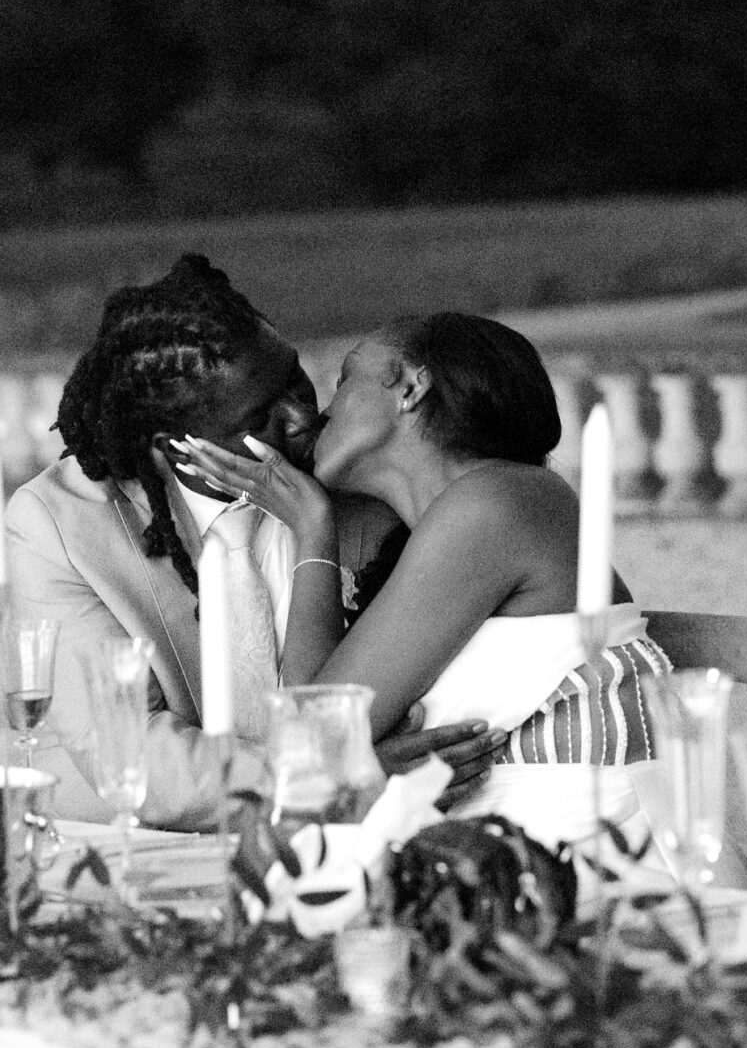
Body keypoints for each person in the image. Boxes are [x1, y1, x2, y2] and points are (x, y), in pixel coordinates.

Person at [5, 256, 496, 829]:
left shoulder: (360, 484)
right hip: (140, 847)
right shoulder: (60, 526)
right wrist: (340, 778)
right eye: (264, 415)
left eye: (295, 377)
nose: (304, 416)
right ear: (178, 445)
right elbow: (139, 760)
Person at [177, 310, 670, 854]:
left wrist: (313, 528)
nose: (321, 412)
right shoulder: (452, 523)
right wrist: (311, 525)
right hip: (503, 866)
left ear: (410, 387)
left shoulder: (498, 503)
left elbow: (313, 734)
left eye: (345, 379)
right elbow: (315, 736)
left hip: (603, 879)